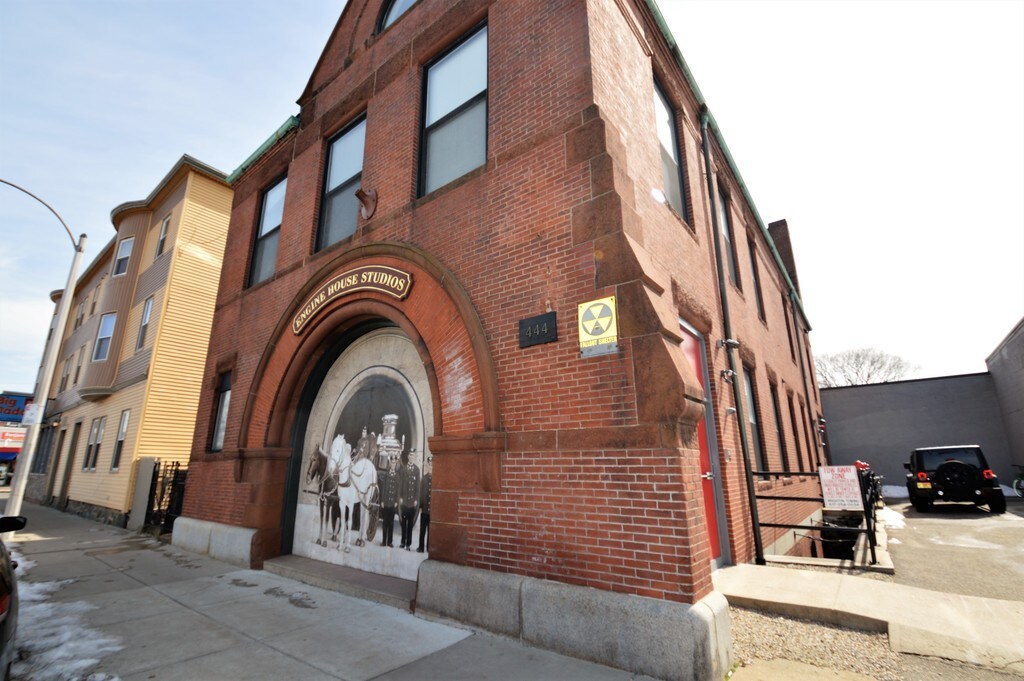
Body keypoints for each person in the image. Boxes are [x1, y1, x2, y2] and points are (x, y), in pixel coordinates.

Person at [397, 450, 421, 550]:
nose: (411, 457)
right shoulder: (403, 469)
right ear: (408, 457)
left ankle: (408, 544)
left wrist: (416, 499)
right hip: (404, 501)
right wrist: (400, 497)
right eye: (410, 455)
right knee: (403, 522)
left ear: (414, 458)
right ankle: (403, 542)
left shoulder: (417, 470)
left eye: (413, 456)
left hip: (411, 501)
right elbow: (400, 485)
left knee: (410, 523)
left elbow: (417, 487)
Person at [380, 455, 400, 548]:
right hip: (386, 502)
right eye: (392, 463)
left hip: (392, 503)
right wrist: (382, 501)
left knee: (391, 523)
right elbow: (383, 489)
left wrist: (396, 501)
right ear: (390, 464)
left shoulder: (397, 476)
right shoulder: (386, 475)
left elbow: (398, 490)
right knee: (385, 522)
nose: (393, 464)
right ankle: (384, 541)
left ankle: (390, 542)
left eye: (394, 463)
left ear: (396, 464)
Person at [417, 455, 432, 553]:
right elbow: (421, 493)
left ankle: (429, 548)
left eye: (432, 465)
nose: (430, 467)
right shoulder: (424, 478)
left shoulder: (436, 479)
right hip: (425, 509)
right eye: (429, 465)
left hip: (432, 510)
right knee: (422, 530)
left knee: (430, 531)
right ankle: (421, 547)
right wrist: (420, 506)